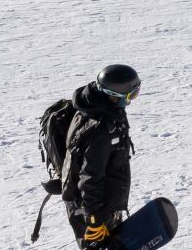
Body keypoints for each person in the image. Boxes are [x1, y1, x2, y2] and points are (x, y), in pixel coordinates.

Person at [61, 64, 139, 247]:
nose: (132, 100)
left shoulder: (99, 107)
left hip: (101, 203)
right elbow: (90, 176)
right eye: (131, 95)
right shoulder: (100, 129)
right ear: (115, 96)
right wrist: (94, 220)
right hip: (90, 208)